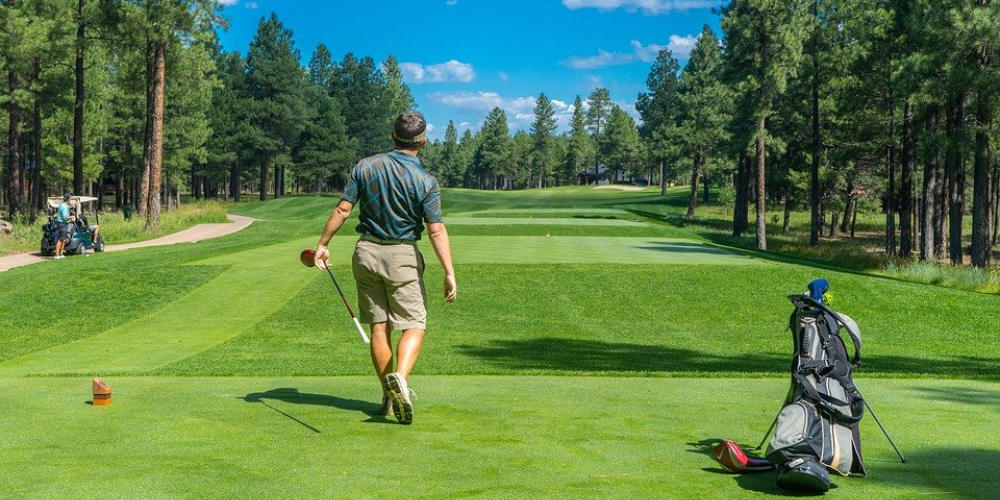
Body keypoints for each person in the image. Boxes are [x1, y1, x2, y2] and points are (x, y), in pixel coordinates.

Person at [314, 111, 457, 425]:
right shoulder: (426, 180)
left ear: (393, 136)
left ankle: (388, 398)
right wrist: (449, 272)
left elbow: (343, 209)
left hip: (365, 253)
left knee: (379, 327)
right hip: (402, 256)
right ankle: (401, 380)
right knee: (415, 323)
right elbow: (435, 230)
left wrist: (323, 244)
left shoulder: (365, 166)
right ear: (423, 141)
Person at [53, 193, 73, 259]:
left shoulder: (63, 205)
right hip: (62, 224)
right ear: (68, 199)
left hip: (64, 224)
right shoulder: (64, 206)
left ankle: (61, 253)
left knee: (63, 239)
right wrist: (71, 217)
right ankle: (57, 254)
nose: (70, 200)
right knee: (60, 239)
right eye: (70, 198)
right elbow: (65, 218)